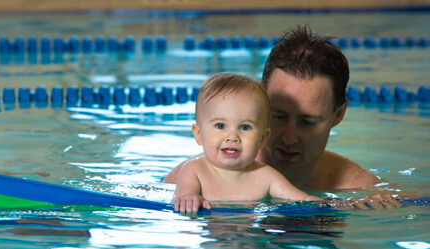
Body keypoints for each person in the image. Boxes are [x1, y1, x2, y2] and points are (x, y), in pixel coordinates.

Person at [165, 25, 401, 209]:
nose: (289, 138)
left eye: (306, 122)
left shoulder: (359, 188)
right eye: (278, 116)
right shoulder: (192, 178)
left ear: (337, 116)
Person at [172, 72, 322, 214]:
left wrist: (327, 204)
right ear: (198, 134)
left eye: (245, 127)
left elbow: (302, 199)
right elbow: (181, 196)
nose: (232, 137)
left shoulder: (266, 177)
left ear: (263, 139)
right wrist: (188, 198)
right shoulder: (194, 170)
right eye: (220, 126)